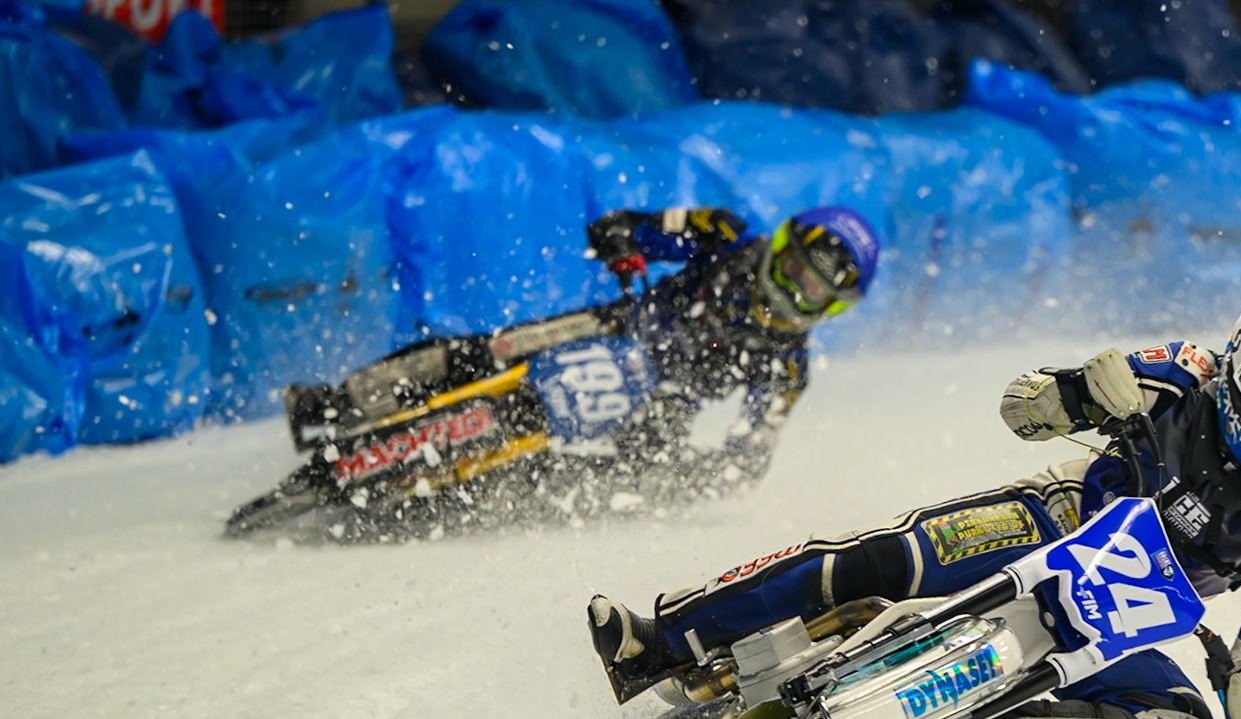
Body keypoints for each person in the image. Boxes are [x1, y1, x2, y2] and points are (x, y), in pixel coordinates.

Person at [588, 276, 1241, 719]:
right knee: (886, 556)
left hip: (1125, 620)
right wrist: (1074, 394)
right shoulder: (1184, 371)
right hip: (1056, 517)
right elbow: (1023, 405)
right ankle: (661, 637)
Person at [289, 203, 878, 507]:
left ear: (833, 309)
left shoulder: (790, 369)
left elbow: (748, 460)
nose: (793, 291)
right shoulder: (722, 233)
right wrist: (625, 246)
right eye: (794, 269)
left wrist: (688, 476)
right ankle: (340, 401)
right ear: (778, 246)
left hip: (662, 403)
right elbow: (622, 226)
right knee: (491, 349)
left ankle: (474, 498)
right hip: (617, 325)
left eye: (814, 291)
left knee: (623, 484)